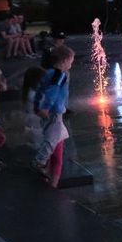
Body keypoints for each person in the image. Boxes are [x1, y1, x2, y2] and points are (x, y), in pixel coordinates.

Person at [33, 46, 74, 188]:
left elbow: (40, 89)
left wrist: (37, 106)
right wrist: (45, 107)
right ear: (64, 60)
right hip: (54, 112)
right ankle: (40, 161)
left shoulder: (49, 72)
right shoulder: (60, 75)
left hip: (52, 111)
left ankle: (52, 182)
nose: (71, 64)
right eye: (71, 61)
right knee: (52, 137)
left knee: (57, 137)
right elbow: (52, 92)